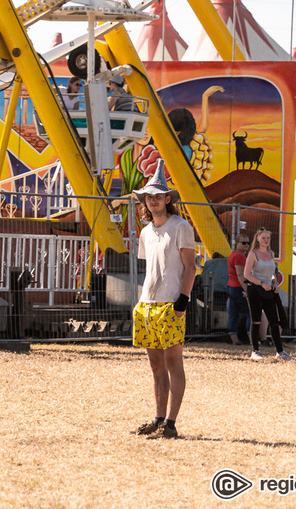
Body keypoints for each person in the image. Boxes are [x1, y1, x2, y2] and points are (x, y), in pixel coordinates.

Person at [132, 159, 196, 440]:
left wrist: (183, 300)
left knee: (173, 364)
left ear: (167, 199)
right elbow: (150, 268)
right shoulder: (146, 232)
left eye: (158, 196)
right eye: (149, 196)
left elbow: (191, 266)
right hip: (147, 305)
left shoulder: (181, 226)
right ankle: (158, 419)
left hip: (171, 304)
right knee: (156, 366)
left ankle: (170, 424)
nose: (153, 200)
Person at [244, 228, 292, 361]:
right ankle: (255, 351)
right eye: (263, 238)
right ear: (257, 239)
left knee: (274, 321)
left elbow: (272, 272)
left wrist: (274, 282)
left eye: (268, 238)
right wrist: (261, 283)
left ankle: (280, 351)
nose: (266, 240)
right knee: (256, 320)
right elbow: (247, 274)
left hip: (269, 290)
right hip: (255, 290)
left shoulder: (271, 253)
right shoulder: (253, 254)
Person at [227, 233, 250, 344]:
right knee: (249, 313)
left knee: (233, 313)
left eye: (248, 243)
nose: (247, 245)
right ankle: (250, 338)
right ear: (237, 244)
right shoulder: (239, 256)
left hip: (232, 286)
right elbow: (240, 274)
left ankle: (235, 339)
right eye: (244, 243)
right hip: (238, 287)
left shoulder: (233, 255)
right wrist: (246, 289)